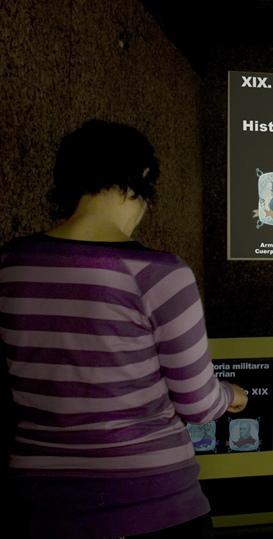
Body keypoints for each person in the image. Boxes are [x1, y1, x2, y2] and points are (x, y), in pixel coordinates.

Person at [1, 120, 248, 539]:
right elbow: (198, 405)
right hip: (153, 503)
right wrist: (232, 394)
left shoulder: (9, 264)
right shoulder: (159, 274)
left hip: (39, 503)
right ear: (143, 176)